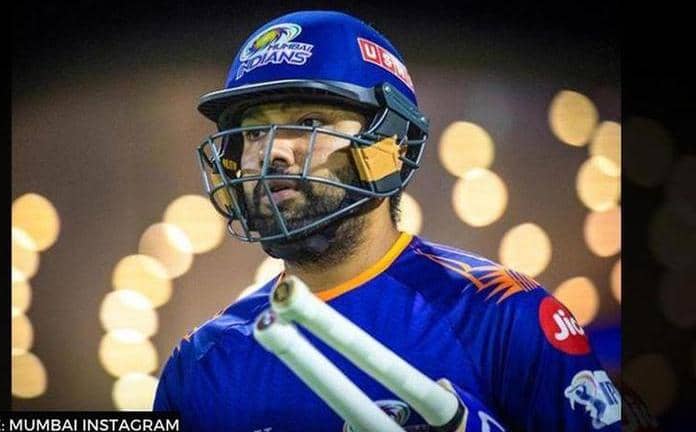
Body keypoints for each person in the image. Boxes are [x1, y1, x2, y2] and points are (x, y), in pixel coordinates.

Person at [154, 10, 621, 431]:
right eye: (255, 130)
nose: (271, 150)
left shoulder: (502, 315)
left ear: (390, 145)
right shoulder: (201, 365)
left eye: (311, 122)